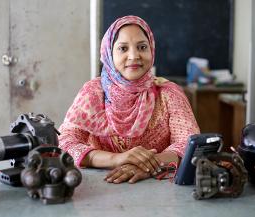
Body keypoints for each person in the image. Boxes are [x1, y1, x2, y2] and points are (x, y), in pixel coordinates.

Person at [58, 15, 199, 184]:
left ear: (151, 50)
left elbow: (190, 145)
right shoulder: (93, 92)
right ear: (109, 53)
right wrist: (116, 159)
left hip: (160, 190)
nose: (134, 56)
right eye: (123, 48)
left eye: (142, 47)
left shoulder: (169, 93)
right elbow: (65, 143)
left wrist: (146, 166)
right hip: (99, 190)